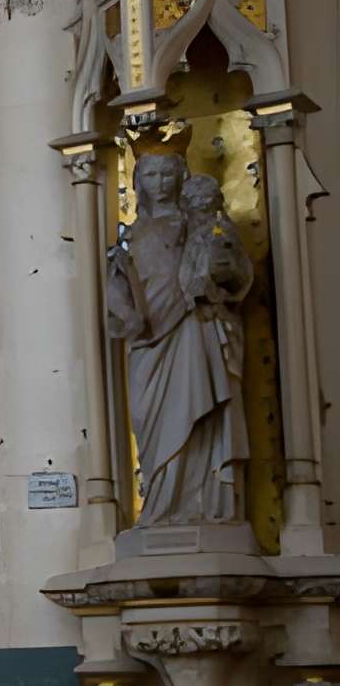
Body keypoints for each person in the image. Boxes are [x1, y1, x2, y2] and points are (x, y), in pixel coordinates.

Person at [106, 157, 253, 525]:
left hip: (193, 325)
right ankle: (158, 501)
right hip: (148, 338)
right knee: (148, 416)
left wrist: (217, 275)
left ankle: (201, 502)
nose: (159, 183)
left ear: (180, 178)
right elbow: (113, 288)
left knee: (199, 407)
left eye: (167, 174)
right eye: (150, 175)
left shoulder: (201, 224)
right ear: (138, 181)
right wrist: (128, 315)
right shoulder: (129, 236)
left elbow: (234, 269)